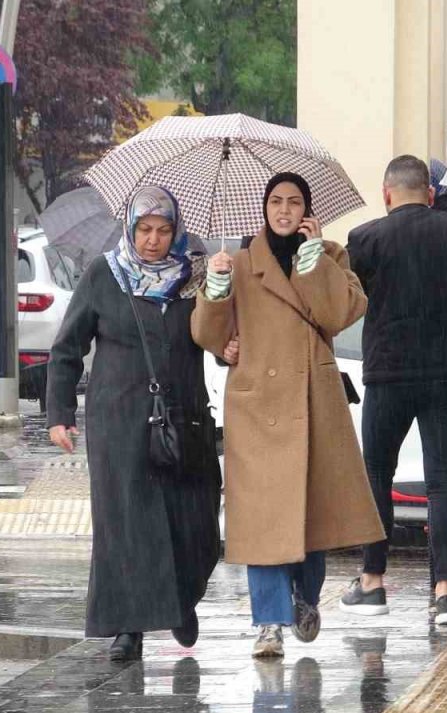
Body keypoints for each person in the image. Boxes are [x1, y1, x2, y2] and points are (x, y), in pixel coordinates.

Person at [192, 172, 385, 658]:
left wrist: (314, 261)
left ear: (307, 210)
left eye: (294, 202)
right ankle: (269, 625)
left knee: (311, 517)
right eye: (276, 202)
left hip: (312, 402)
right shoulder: (236, 263)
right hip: (257, 407)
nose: (284, 210)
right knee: (262, 522)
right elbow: (209, 335)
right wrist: (214, 291)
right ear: (263, 208)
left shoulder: (332, 255)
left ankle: (304, 595)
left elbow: (340, 314)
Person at [46, 186, 221, 662]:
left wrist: (221, 295)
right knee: (128, 524)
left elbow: (220, 335)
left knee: (195, 520)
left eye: (164, 230)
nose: (153, 240)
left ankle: (183, 598)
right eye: (145, 229)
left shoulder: (197, 275)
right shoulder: (106, 273)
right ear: (130, 227)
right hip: (119, 419)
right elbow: (67, 349)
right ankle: (130, 627)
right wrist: (59, 414)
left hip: (184, 413)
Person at [340, 156, 447, 625]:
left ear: (387, 194)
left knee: (376, 475)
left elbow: (349, 301)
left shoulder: (364, 239)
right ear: (430, 193)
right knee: (442, 480)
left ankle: (372, 581)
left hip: (388, 373)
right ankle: (446, 591)